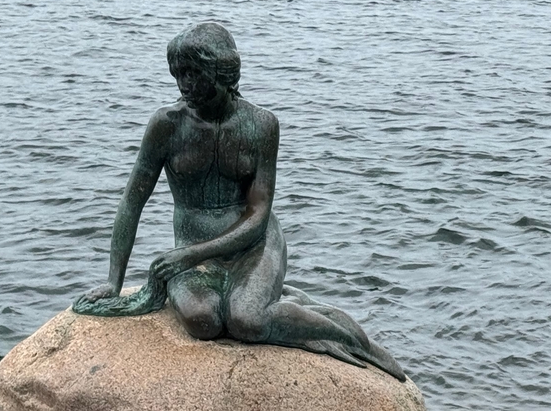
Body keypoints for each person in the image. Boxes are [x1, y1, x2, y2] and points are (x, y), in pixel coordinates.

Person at [75, 22, 405, 380]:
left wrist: (188, 256)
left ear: (223, 72)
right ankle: (281, 303)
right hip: (193, 246)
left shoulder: (261, 125)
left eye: (194, 74)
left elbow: (259, 214)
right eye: (179, 74)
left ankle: (345, 336)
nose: (183, 85)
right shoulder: (166, 125)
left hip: (254, 244)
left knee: (247, 319)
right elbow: (131, 202)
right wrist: (114, 281)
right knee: (203, 321)